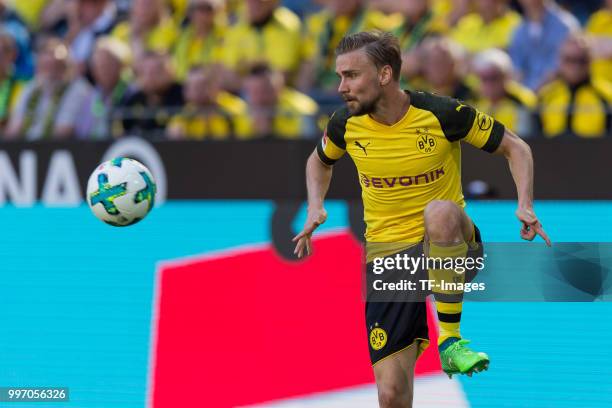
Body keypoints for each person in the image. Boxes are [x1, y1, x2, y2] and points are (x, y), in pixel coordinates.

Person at [292, 31, 551, 408]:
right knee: (391, 394)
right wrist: (316, 204)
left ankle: (450, 340)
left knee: (440, 211)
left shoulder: (442, 113)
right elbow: (318, 161)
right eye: (339, 76)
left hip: (452, 244)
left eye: (351, 75)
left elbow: (517, 147)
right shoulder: (345, 124)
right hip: (389, 260)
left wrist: (525, 204)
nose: (341, 86)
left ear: (384, 75)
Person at [5, 37, 92, 140]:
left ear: (66, 67)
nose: (48, 72)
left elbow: (63, 131)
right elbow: (13, 129)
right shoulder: (32, 87)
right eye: (44, 65)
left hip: (60, 150)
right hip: (28, 150)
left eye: (55, 66)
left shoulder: (78, 89)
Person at [536, 33, 612, 139]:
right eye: (569, 60)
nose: (575, 66)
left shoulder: (607, 95)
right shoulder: (545, 95)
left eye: (581, 60)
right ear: (560, 61)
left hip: (595, 152)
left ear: (591, 60)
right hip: (552, 152)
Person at [508, 0, 578, 90]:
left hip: (558, 94)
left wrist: (538, 90)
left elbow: (565, 66)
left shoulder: (566, 25)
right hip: (526, 98)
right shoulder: (518, 30)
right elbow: (516, 70)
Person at [167, 65, 251, 140]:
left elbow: (247, 135)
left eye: (203, 85)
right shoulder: (183, 117)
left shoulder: (234, 108)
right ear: (186, 92)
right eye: (193, 87)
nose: (199, 91)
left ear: (216, 86)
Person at [243, 63, 319, 139]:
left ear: (278, 88)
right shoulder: (237, 112)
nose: (260, 99)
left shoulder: (303, 109)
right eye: (255, 92)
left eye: (265, 91)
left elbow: (309, 145)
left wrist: (269, 132)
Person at [472, 48, 537, 136]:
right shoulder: (474, 100)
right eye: (484, 78)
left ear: (506, 76)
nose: (489, 84)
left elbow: (526, 135)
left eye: (494, 77)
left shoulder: (522, 99)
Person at [450, 0, 522, 53]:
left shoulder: (516, 23)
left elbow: (508, 52)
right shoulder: (467, 23)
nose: (484, 2)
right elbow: (454, 50)